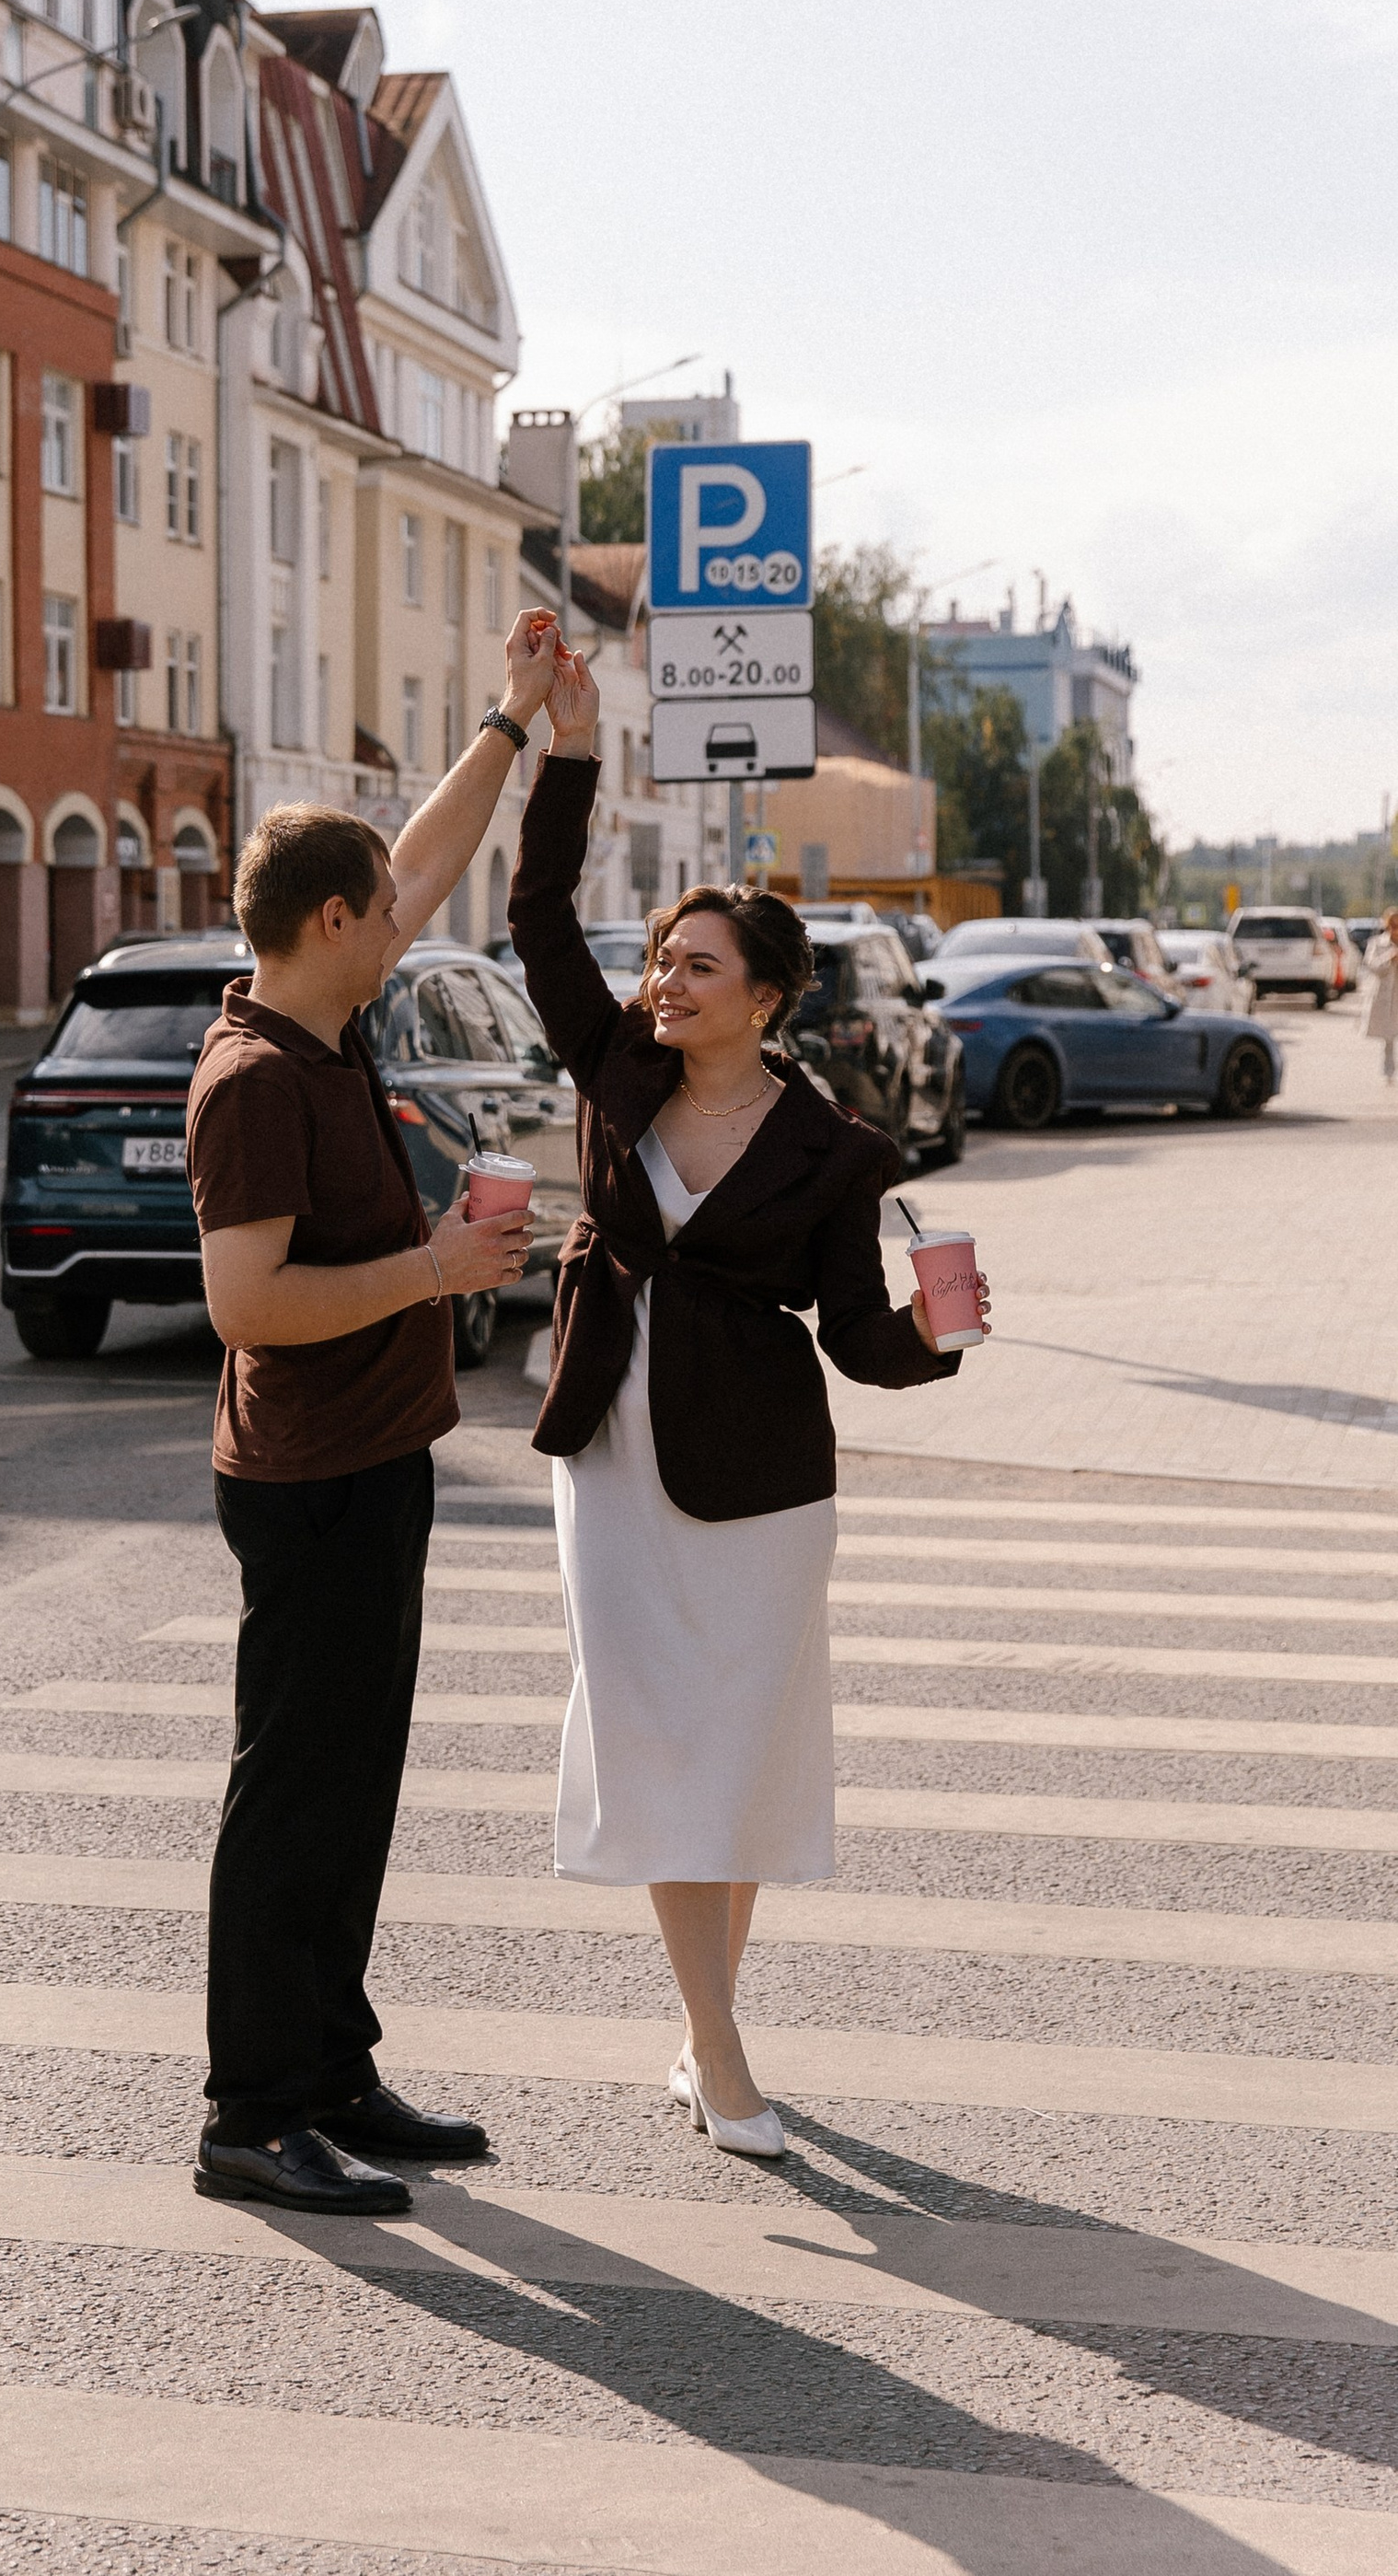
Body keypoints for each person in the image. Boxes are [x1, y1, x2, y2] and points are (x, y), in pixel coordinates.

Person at [508, 644, 988, 2163]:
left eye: (696, 966)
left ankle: (704, 2033)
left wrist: (936, 1336)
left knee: (742, 1748)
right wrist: (568, 750)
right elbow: (535, 913)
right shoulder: (615, 1065)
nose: (664, 981)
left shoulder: (837, 1153)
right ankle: (719, 2052)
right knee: (656, 1733)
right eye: (662, 958)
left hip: (765, 1476)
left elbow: (855, 1338)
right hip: (613, 1447)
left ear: (766, 997)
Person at [184, 608, 561, 2217]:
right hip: (312, 1477)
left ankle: (333, 2072)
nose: (407, 919)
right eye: (384, 913)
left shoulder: (323, 1014)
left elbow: (426, 854)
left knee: (354, 1788)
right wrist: (434, 1270)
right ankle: (253, 2112)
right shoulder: (257, 1078)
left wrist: (510, 719)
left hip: (373, 1463)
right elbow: (247, 1305)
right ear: (330, 923)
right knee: (295, 1793)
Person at [1365, 911, 1398, 1085]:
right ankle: (1389, 1071)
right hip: (1387, 996)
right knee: (1389, 1036)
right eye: (1393, 925)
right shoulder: (1378, 943)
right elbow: (1371, 966)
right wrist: (1389, 958)